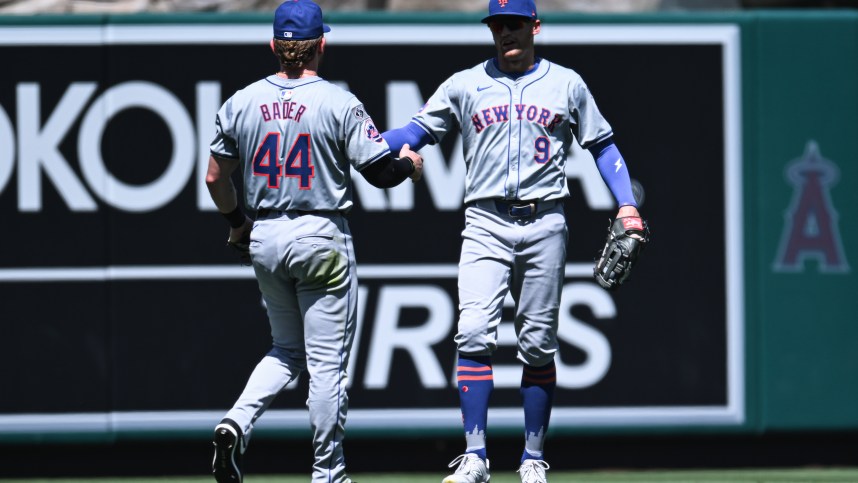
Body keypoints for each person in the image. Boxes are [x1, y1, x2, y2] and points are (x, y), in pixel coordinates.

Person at [382, 1, 643, 482]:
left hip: (546, 221)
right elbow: (416, 130)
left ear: (535, 26)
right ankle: (476, 457)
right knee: (474, 332)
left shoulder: (566, 83)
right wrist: (375, 145)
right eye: (498, 25)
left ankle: (532, 459)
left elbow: (602, 145)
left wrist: (626, 203)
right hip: (485, 221)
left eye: (515, 23)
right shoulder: (466, 83)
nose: (506, 32)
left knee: (538, 345)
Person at [205, 1, 423, 482]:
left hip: (265, 235)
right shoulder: (337, 101)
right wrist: (408, 164)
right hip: (320, 234)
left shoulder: (241, 101)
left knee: (285, 350)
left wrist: (238, 223)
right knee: (327, 367)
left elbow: (215, 177)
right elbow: (380, 172)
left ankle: (236, 422)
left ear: (274, 47)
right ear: (322, 44)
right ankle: (329, 473)